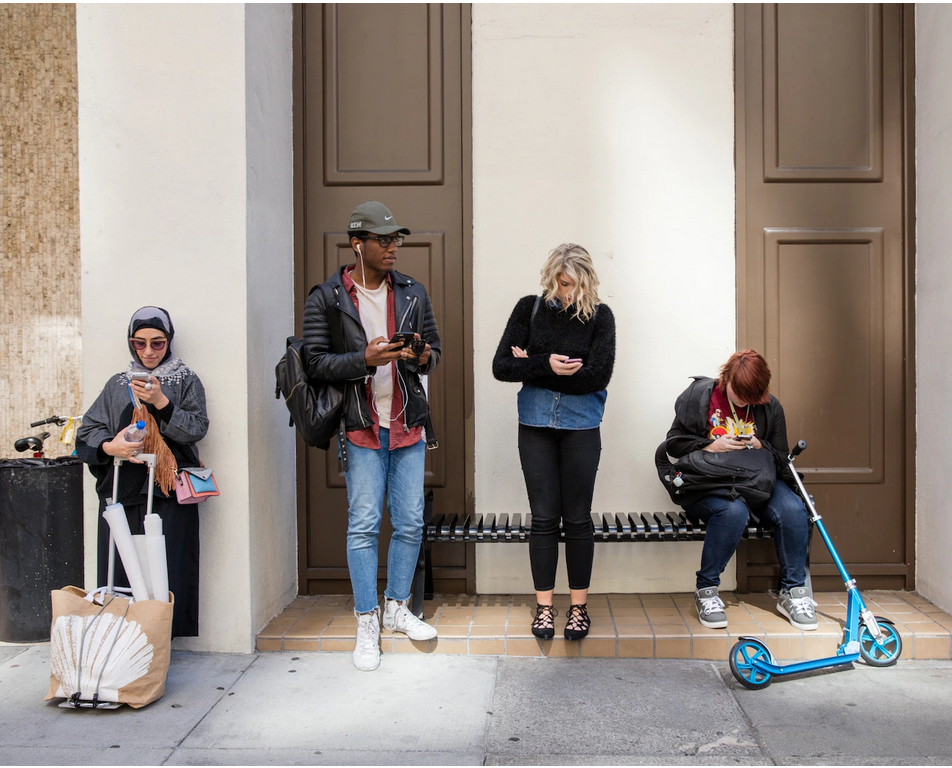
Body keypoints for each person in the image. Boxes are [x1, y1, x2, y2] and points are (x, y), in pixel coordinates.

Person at [303, 201, 441, 672]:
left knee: (409, 521)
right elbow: (316, 362)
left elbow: (434, 351)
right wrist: (365, 359)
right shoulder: (327, 297)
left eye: (396, 239)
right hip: (360, 425)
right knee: (363, 524)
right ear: (357, 244)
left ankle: (396, 607)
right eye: (383, 240)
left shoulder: (412, 292)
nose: (393, 248)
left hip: (406, 422)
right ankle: (367, 621)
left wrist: (420, 357)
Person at [492, 244, 616, 641]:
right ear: (551, 278)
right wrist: (546, 364)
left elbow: (598, 376)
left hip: (582, 426)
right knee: (544, 518)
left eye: (575, 285)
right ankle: (545, 608)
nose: (568, 293)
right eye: (562, 284)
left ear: (588, 281)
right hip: (535, 424)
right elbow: (502, 367)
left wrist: (534, 364)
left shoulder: (601, 317)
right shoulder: (529, 309)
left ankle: (578, 608)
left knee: (578, 518)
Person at [76, 307, 209, 638]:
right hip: (124, 492)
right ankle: (122, 640)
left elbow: (197, 429)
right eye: (140, 343)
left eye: (158, 343)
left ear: (169, 341)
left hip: (169, 494)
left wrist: (163, 402)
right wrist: (110, 447)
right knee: (122, 568)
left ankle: (162, 641)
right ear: (130, 343)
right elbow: (86, 435)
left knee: (169, 567)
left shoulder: (185, 380)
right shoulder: (118, 384)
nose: (148, 351)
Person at [663, 349, 817, 631]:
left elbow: (782, 458)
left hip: (756, 482)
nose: (744, 401)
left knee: (794, 509)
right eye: (739, 394)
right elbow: (673, 444)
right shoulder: (699, 397)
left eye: (752, 397)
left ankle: (793, 593)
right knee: (733, 512)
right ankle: (707, 591)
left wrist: (761, 445)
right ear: (726, 377)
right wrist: (710, 445)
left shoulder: (771, 407)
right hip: (709, 484)